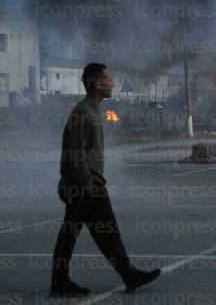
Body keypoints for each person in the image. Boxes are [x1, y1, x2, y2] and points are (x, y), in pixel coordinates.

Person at [50, 63, 160, 297]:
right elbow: (73, 152)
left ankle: (129, 275)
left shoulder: (93, 110)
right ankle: (59, 283)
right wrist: (86, 183)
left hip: (93, 185)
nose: (112, 83)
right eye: (108, 80)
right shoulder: (82, 113)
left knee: (107, 232)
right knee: (69, 233)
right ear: (96, 83)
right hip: (82, 187)